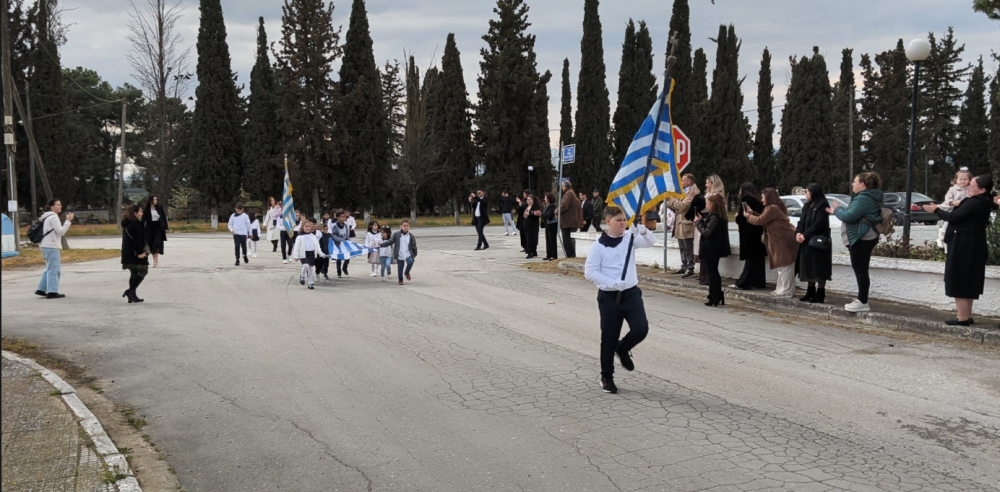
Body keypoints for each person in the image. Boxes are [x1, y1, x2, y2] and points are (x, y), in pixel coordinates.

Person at [584, 206, 657, 394]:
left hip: (631, 293)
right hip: (609, 296)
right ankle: (606, 376)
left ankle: (622, 348)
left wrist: (641, 229)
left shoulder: (629, 239)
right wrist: (613, 283)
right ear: (608, 222)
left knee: (641, 329)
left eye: (624, 220)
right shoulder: (598, 246)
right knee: (608, 337)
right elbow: (590, 272)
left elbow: (651, 241)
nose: (623, 223)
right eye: (619, 220)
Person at [922, 174, 998, 326]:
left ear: (982, 189)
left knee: (960, 277)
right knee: (968, 278)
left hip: (964, 244)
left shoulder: (975, 202)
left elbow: (954, 217)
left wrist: (936, 210)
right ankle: (966, 315)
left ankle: (962, 317)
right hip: (973, 243)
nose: (969, 186)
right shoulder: (984, 200)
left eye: (973, 185)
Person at [829, 172, 884, 313]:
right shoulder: (866, 197)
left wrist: (837, 209)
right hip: (865, 236)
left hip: (862, 237)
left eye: (854, 181)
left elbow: (848, 216)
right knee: (861, 269)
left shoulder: (864, 198)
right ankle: (862, 299)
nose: (852, 184)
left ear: (862, 184)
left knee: (860, 270)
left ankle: (863, 302)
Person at [746, 189, 798, 298]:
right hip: (782, 240)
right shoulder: (774, 208)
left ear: (768, 198)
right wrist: (753, 213)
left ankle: (786, 291)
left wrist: (749, 216)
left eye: (763, 197)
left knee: (784, 265)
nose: (762, 200)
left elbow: (760, 220)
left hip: (783, 240)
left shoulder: (772, 208)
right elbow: (764, 218)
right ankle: (782, 289)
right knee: (782, 266)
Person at [795, 183, 833, 304]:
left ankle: (820, 292)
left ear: (813, 193)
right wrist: (798, 233)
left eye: (807, 191)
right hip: (806, 241)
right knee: (809, 266)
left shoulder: (822, 205)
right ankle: (810, 290)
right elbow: (801, 221)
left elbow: (819, 223)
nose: (805, 194)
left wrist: (805, 234)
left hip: (818, 241)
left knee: (819, 267)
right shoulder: (806, 205)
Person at [695, 194, 732, 307]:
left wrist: (698, 222)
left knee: (712, 273)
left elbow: (706, 232)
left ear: (712, 204)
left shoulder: (714, 216)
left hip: (711, 248)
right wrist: (702, 220)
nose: (707, 205)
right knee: (714, 272)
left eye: (708, 203)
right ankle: (717, 294)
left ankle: (714, 296)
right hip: (715, 248)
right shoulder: (720, 216)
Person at [34, 199, 74, 299]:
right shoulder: (53, 217)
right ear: (52, 207)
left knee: (49, 268)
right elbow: (61, 231)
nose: (60, 206)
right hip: (51, 246)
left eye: (60, 204)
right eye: (57, 205)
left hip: (44, 245)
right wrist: (68, 221)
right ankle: (52, 291)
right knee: (54, 269)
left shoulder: (46, 216)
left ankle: (41, 289)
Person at [733, 183, 767, 290]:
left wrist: (737, 217)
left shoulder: (745, 200)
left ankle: (744, 282)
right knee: (758, 259)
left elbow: (742, 218)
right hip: (758, 232)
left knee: (750, 259)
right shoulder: (757, 200)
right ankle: (759, 282)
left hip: (749, 233)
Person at [665, 174, 699, 277]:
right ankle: (684, 266)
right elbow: (677, 206)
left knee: (688, 247)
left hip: (687, 224)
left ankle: (690, 267)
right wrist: (671, 204)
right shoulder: (683, 191)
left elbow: (683, 206)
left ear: (689, 182)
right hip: (679, 223)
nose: (681, 182)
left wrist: (671, 200)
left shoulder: (693, 192)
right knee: (682, 247)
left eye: (683, 180)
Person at [697, 175, 726, 285]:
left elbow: (707, 231)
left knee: (712, 268)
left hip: (712, 237)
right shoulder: (709, 195)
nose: (706, 185)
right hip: (706, 225)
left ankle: (714, 290)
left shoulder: (716, 198)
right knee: (710, 266)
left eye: (708, 183)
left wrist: (698, 222)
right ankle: (706, 279)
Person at [119, 205, 150, 303]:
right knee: (143, 271)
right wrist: (141, 252)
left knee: (134, 272)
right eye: (140, 211)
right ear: (135, 213)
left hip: (128, 253)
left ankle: (132, 295)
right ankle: (130, 291)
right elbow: (138, 240)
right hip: (136, 253)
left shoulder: (127, 224)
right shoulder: (136, 224)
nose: (142, 213)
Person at [937, 169, 972, 250]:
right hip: (953, 208)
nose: (962, 181)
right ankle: (941, 237)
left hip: (964, 209)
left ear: (969, 180)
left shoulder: (969, 189)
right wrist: (952, 202)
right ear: (956, 180)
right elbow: (948, 198)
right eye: (960, 179)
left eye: (965, 179)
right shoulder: (953, 189)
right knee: (948, 220)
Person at [380, 219, 417, 285]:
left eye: (407, 226)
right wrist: (382, 245)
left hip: (408, 253)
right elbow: (390, 241)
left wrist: (414, 254)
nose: (406, 227)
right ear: (401, 226)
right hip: (399, 253)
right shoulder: (396, 235)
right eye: (404, 226)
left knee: (411, 261)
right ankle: (400, 279)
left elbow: (414, 246)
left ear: (409, 227)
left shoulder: (411, 236)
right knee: (400, 267)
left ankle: (407, 272)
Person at [292, 219, 325, 289]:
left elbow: (317, 246)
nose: (307, 228)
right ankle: (302, 275)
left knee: (311, 269)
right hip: (303, 254)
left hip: (311, 254)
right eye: (306, 226)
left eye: (309, 226)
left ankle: (310, 283)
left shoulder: (312, 236)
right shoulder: (299, 237)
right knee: (306, 265)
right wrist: (296, 256)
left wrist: (321, 254)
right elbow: (296, 247)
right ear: (302, 227)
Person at [557, 181, 583, 258]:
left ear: (566, 186)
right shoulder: (572, 194)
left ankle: (570, 256)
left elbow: (564, 205)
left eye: (562, 186)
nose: (561, 187)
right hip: (569, 222)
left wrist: (556, 211)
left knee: (567, 241)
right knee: (569, 241)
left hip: (567, 222)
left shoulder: (569, 193)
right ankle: (570, 255)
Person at [142, 195, 168, 267]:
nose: (155, 201)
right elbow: (143, 219)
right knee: (152, 244)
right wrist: (141, 227)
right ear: (151, 201)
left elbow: (163, 218)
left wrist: (165, 227)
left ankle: (156, 260)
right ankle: (154, 260)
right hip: (150, 228)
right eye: (154, 200)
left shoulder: (160, 208)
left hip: (158, 227)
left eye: (156, 200)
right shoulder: (147, 209)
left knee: (157, 243)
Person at [330, 211, 351, 277]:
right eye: (342, 217)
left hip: (345, 242)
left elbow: (347, 233)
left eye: (344, 217)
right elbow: (333, 236)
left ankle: (345, 267)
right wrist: (341, 240)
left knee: (348, 256)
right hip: (338, 243)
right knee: (339, 258)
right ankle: (338, 271)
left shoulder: (345, 225)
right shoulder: (334, 226)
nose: (343, 218)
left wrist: (347, 240)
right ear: (337, 217)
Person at [522, 194, 542, 259]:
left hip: (533, 225)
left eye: (530, 199)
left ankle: (531, 252)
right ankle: (531, 251)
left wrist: (530, 214)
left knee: (532, 239)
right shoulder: (527, 207)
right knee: (527, 238)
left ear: (533, 200)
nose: (528, 201)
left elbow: (536, 215)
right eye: (527, 199)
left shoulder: (535, 207)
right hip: (526, 224)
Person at [541, 192, 559, 261]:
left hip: (552, 225)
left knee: (552, 240)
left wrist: (541, 214)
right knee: (548, 240)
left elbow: (549, 216)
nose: (544, 199)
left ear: (548, 199)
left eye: (545, 198)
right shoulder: (547, 206)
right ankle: (548, 254)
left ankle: (554, 255)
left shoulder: (552, 206)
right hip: (547, 225)